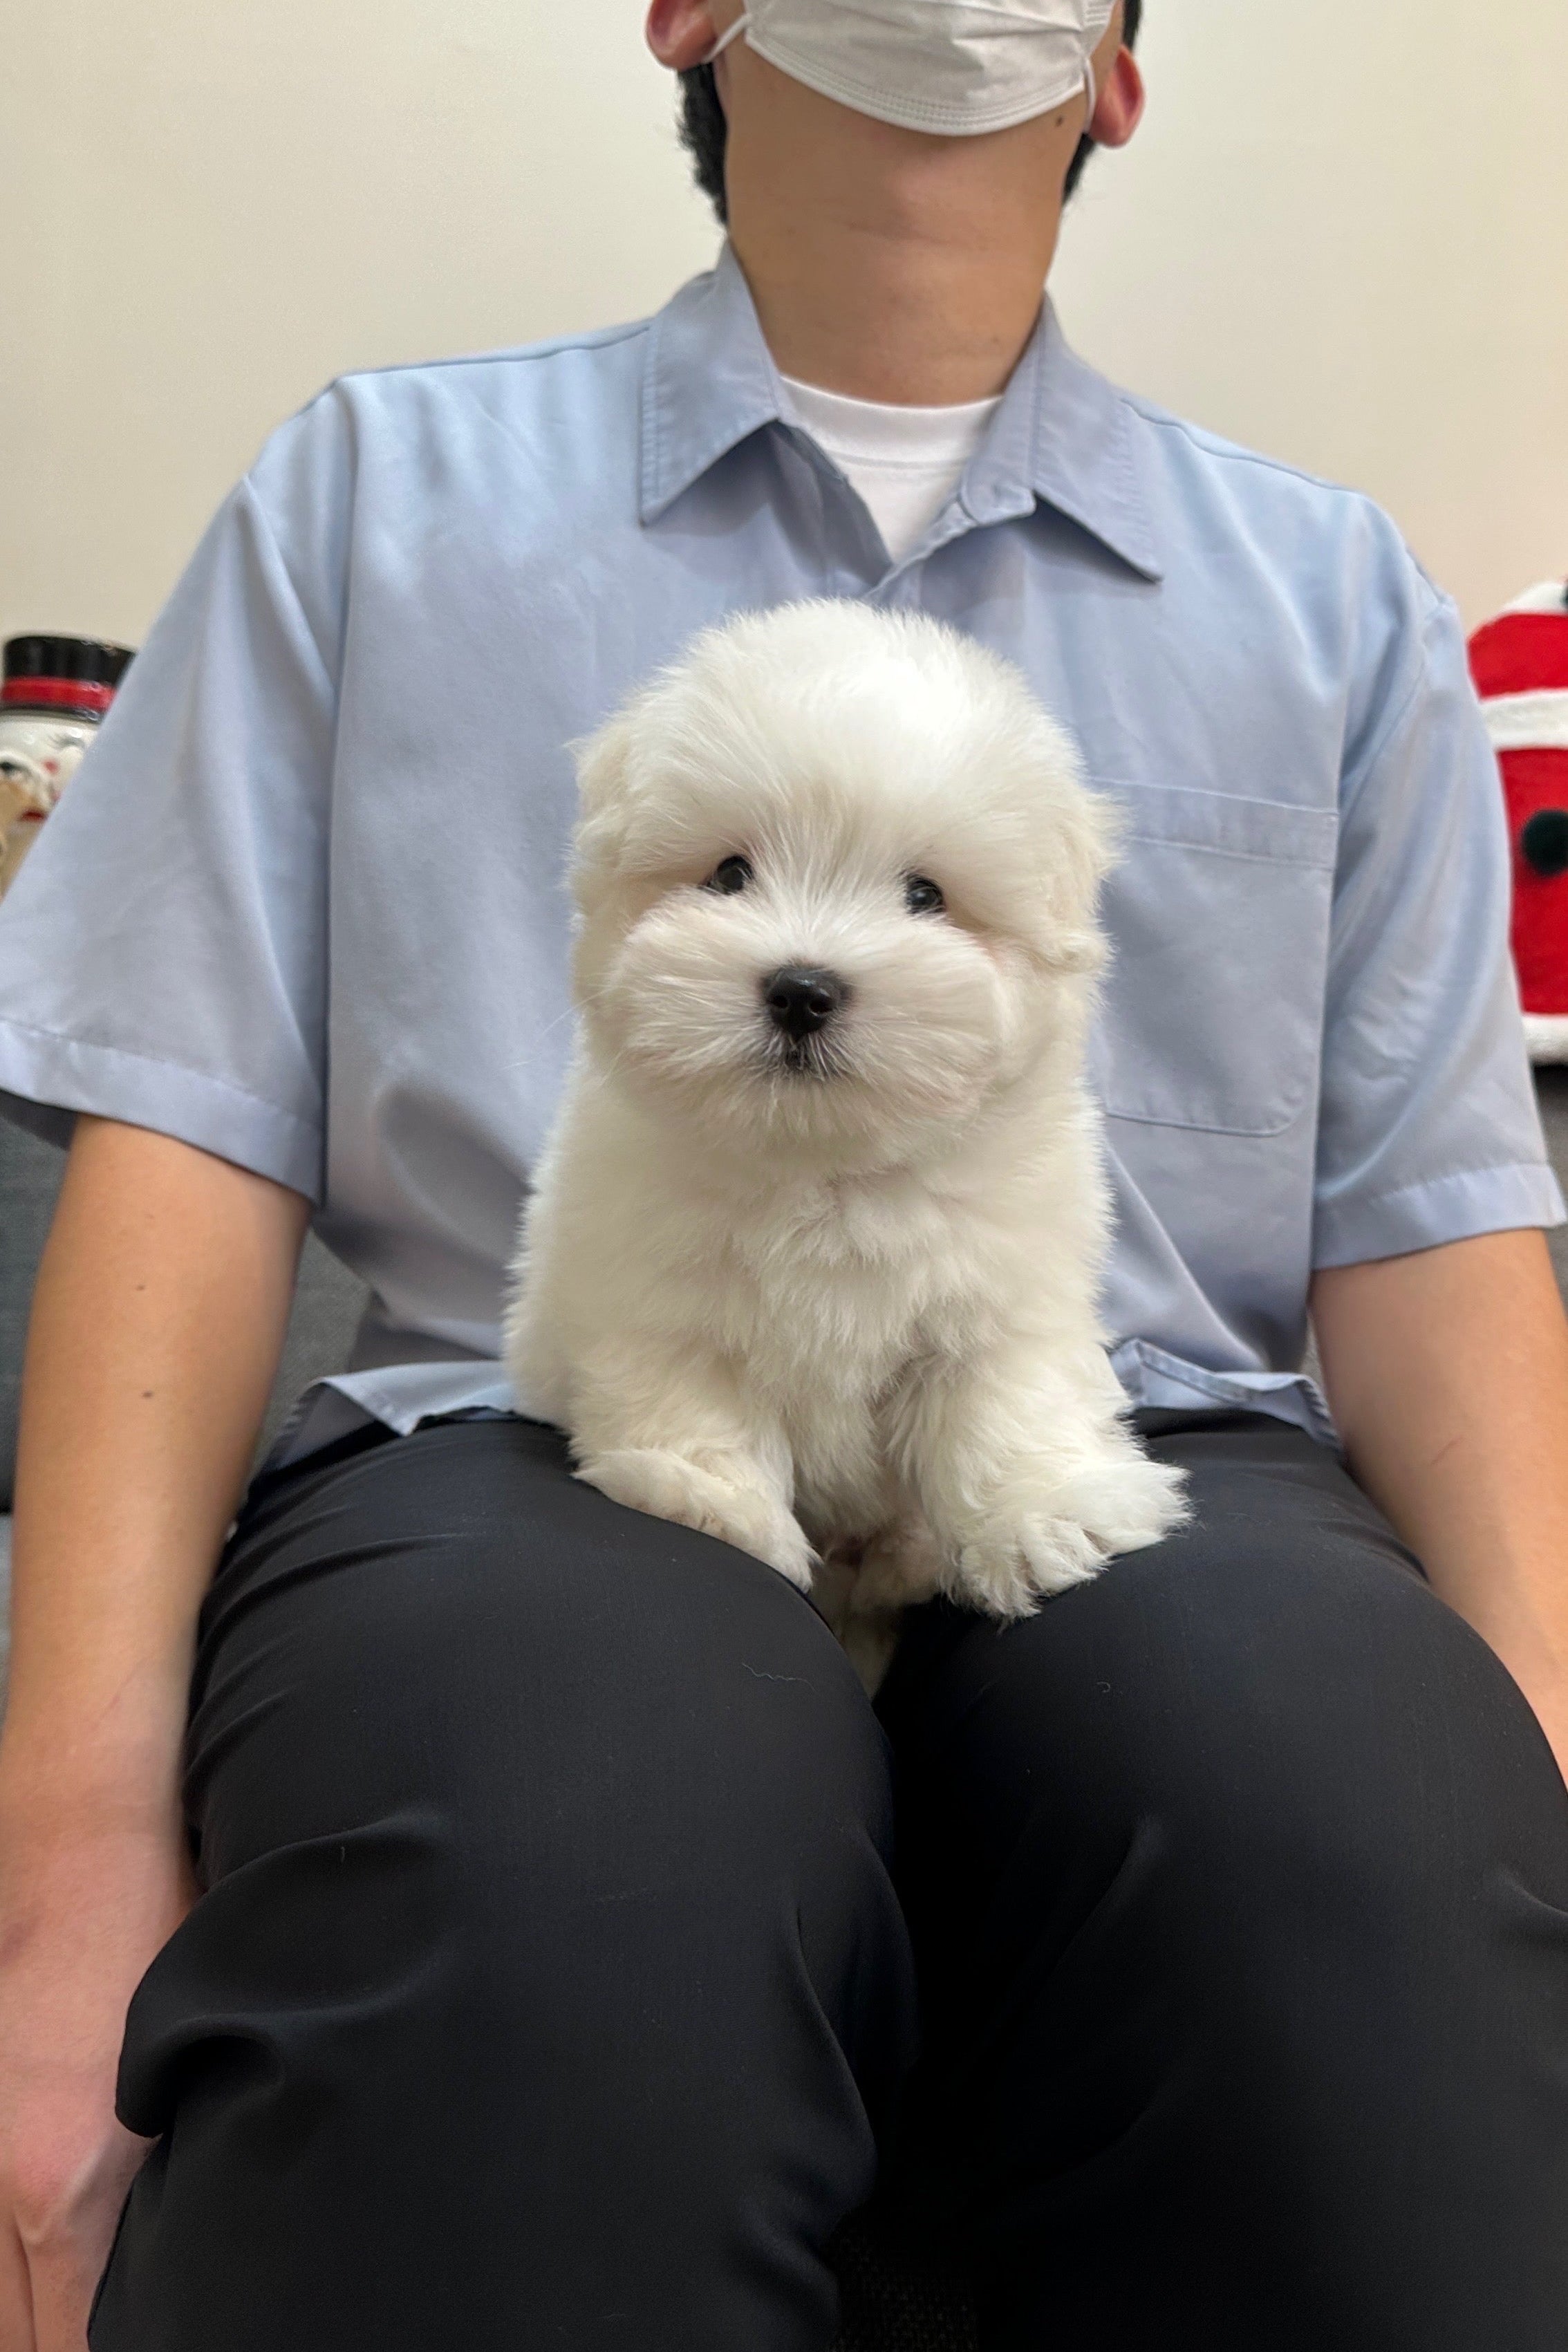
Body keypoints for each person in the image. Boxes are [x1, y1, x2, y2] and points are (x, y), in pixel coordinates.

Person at [1, 1, 1565, 2344]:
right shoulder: (370, 493)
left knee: (1330, 1816)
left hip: (1148, 1438)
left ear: (1119, 68)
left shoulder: (1328, 595)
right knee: (558, 1831)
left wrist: (1532, 1762)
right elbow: (180, 1132)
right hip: (525, 1433)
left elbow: (1434, 1229)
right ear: (686, 10)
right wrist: (64, 1858)